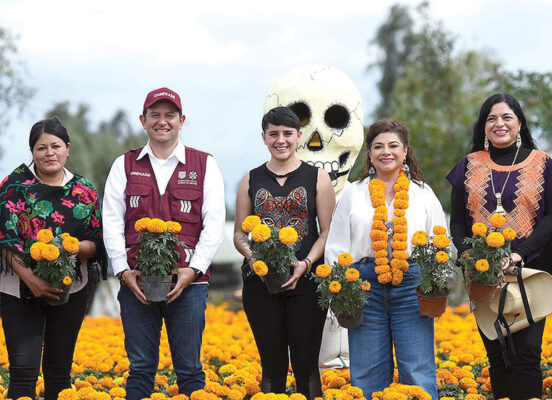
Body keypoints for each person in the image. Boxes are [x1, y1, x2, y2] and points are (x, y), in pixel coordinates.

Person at [102, 87, 225, 400]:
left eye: (169, 115)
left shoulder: (204, 164)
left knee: (190, 369)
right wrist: (121, 271)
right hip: (136, 283)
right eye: (154, 115)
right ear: (143, 121)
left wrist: (193, 270)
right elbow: (112, 222)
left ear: (182, 120)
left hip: (190, 284)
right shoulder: (124, 165)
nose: (162, 121)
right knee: (141, 367)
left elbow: (213, 225)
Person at [447, 93, 552, 400]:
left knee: (526, 354)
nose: (499, 124)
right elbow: (458, 223)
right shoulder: (468, 166)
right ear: (483, 127)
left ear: (520, 124)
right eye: (491, 118)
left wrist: (518, 253)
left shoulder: (542, 163)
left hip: (533, 268)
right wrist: (471, 257)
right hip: (484, 275)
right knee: (498, 354)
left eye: (507, 117)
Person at [324, 118, 445, 399]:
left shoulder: (422, 194)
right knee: (366, 372)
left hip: (412, 285)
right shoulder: (354, 193)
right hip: (364, 285)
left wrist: (435, 283)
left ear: (405, 151)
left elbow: (442, 241)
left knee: (417, 369)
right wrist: (341, 288)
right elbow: (336, 245)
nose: (385, 152)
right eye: (378, 146)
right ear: (369, 153)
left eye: (393, 145)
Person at [0, 117, 107, 400]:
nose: (49, 153)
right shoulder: (13, 186)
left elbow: (97, 241)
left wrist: (73, 248)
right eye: (41, 147)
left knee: (59, 372)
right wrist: (32, 280)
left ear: (67, 148)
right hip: (18, 288)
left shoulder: (85, 191)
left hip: (71, 289)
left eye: (56, 146)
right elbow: (5, 238)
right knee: (23, 372)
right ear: (32, 151)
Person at [233, 106, 335, 399]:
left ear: (299, 136)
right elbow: (240, 234)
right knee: (272, 367)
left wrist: (306, 263)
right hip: (260, 285)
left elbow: (327, 232)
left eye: (287, 133)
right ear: (263, 138)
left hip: (306, 284)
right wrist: (254, 260)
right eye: (273, 133)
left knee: (306, 366)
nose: (281, 140)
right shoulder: (250, 179)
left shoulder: (317, 178)